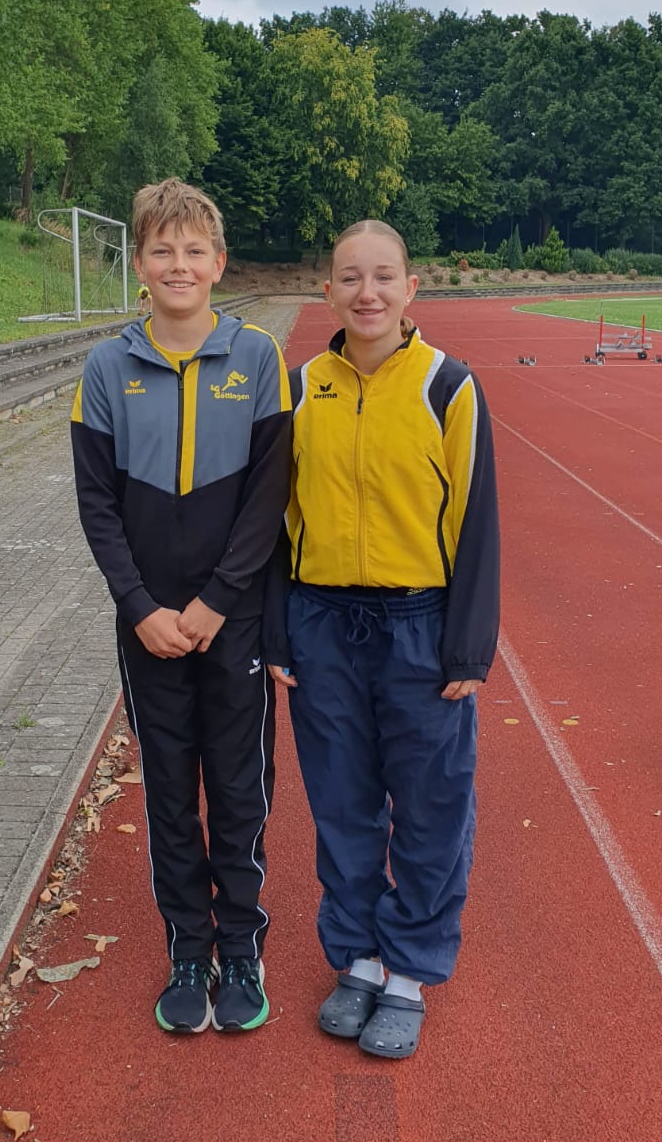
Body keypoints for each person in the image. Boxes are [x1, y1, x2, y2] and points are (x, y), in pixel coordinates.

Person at [268, 219, 499, 1059]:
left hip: (420, 627)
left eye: (383, 276)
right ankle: (359, 956)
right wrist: (278, 633)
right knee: (342, 804)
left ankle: (410, 968)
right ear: (326, 290)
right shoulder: (301, 389)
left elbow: (475, 520)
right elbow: (272, 522)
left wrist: (467, 648)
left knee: (431, 806)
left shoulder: (448, 387)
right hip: (321, 624)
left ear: (411, 289)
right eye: (349, 277)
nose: (367, 292)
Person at [71, 178, 292, 1034]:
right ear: (139, 263)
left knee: (238, 789)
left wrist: (218, 601)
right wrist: (138, 606)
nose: (179, 264)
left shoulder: (258, 358)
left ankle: (241, 945)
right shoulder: (106, 368)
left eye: (194, 250)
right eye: (162, 250)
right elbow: (97, 505)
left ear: (219, 263)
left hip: (233, 622)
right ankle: (188, 951)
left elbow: (269, 496)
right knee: (169, 791)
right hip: (148, 626)